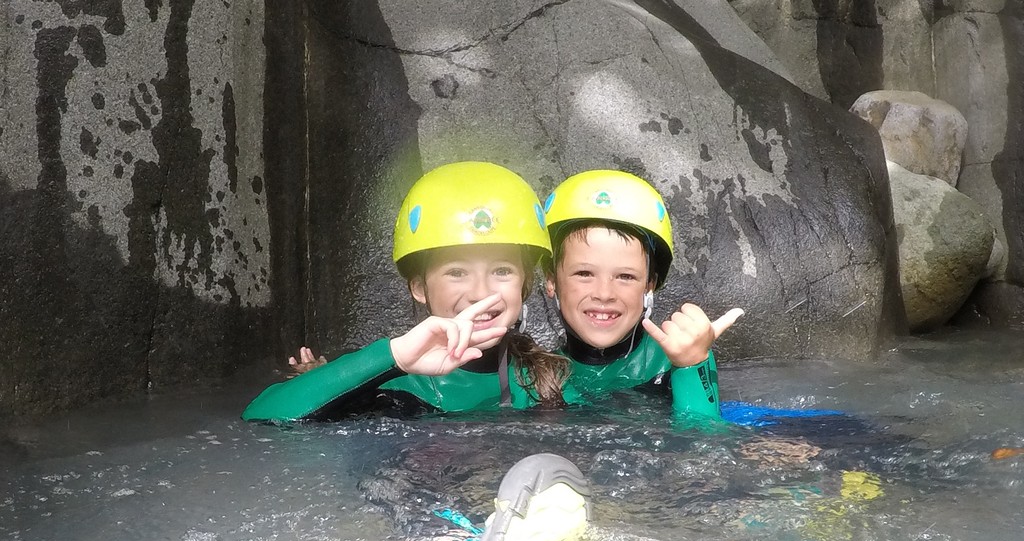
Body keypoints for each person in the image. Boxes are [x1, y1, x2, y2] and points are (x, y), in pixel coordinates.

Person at [241, 161, 570, 422]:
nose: (480, 293)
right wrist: (393, 358)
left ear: (525, 283)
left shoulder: (550, 380)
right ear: (418, 288)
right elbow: (261, 416)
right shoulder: (395, 383)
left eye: (502, 271)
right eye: (457, 272)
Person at [542, 169, 744, 418]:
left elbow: (703, 439)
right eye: (584, 273)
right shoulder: (536, 374)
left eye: (625, 277)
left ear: (649, 284)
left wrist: (693, 364)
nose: (604, 294)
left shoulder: (672, 361)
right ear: (551, 280)